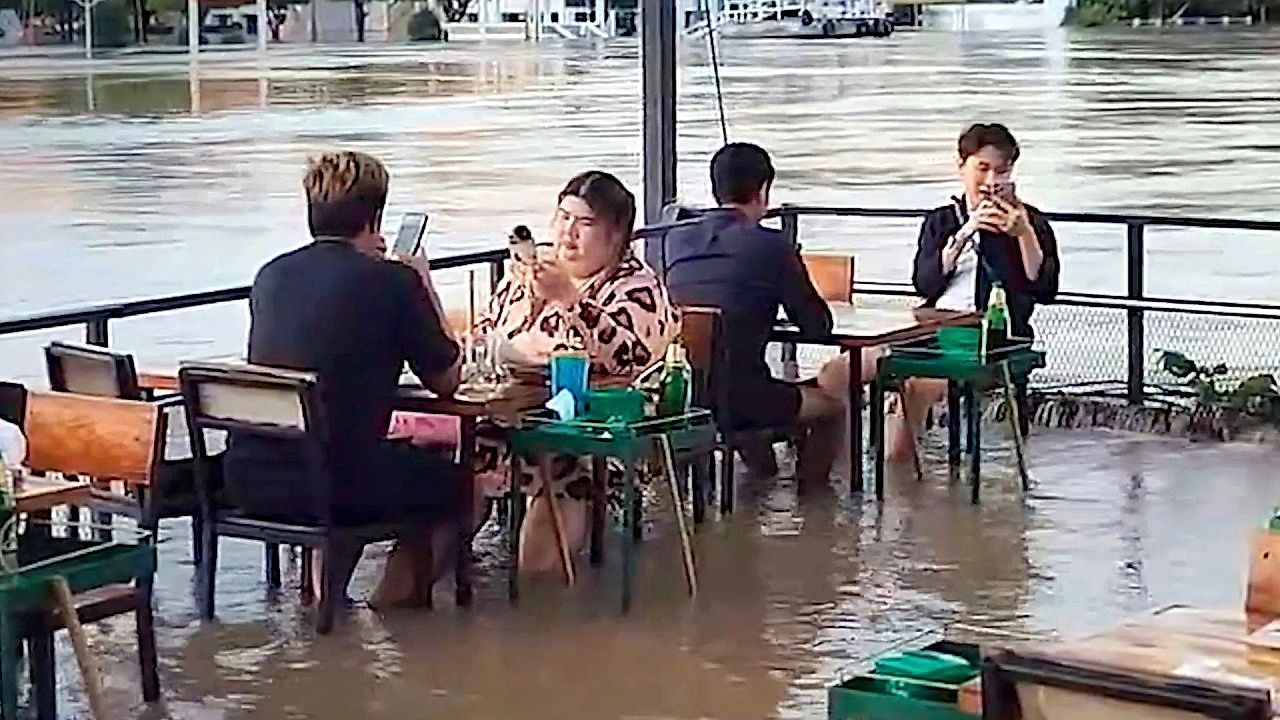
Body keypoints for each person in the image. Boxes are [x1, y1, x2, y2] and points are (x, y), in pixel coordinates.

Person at [393, 170, 679, 573]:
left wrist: (570, 299)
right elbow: (482, 342)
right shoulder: (527, 274)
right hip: (507, 417)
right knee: (456, 469)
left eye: (585, 224)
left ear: (615, 235)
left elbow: (626, 358)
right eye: (562, 218)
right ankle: (418, 592)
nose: (568, 234)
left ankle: (540, 608)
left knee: (566, 477)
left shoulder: (637, 287)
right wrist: (424, 290)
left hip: (593, 427)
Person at [223, 150, 463, 609]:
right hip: (329, 484)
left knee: (362, 460)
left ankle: (324, 603)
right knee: (456, 485)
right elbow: (447, 380)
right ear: (375, 217)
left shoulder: (271, 275)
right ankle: (392, 610)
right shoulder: (392, 283)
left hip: (248, 478)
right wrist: (421, 283)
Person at [650, 143, 847, 481]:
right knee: (831, 408)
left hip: (678, 395)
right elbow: (818, 327)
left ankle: (759, 491)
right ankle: (815, 511)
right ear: (764, 190)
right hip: (739, 399)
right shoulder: (771, 246)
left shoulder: (672, 240)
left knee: (745, 388)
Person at [894, 123, 1060, 456]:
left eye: (1001, 171)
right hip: (937, 324)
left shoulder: (1031, 221)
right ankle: (894, 469)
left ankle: (903, 474)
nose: (990, 181)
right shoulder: (942, 220)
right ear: (962, 168)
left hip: (994, 332)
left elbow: (1044, 288)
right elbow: (924, 282)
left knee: (920, 384)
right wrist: (966, 232)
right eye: (982, 169)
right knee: (884, 367)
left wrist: (1023, 233)